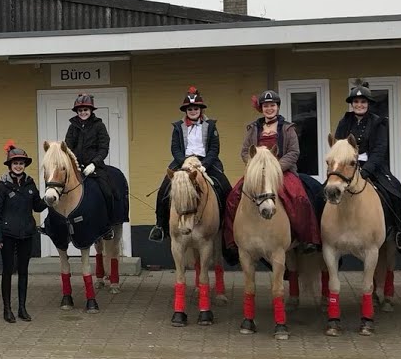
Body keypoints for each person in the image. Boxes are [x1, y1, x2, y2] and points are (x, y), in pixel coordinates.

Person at [222, 90, 321, 264]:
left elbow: (293, 152)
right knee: (233, 197)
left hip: (282, 171)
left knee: (299, 197)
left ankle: (306, 238)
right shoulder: (253, 128)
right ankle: (232, 241)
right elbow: (245, 151)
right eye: (266, 106)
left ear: (278, 107)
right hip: (257, 173)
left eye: (272, 105)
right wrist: (254, 166)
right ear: (262, 108)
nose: (269, 109)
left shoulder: (288, 128)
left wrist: (274, 168)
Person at [334, 82, 401, 255]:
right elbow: (337, 147)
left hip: (373, 167)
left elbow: (379, 151)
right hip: (347, 167)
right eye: (356, 102)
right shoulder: (344, 122)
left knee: (394, 191)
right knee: (327, 190)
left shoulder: (379, 122)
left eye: (363, 102)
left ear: (368, 104)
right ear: (352, 104)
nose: (359, 105)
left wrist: (365, 172)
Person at [148, 87, 231, 242]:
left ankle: (227, 225)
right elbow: (175, 148)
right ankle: (160, 226)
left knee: (226, 187)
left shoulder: (211, 125)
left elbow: (214, 149)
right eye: (190, 109)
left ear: (200, 110)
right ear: (186, 110)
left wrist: (204, 165)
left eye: (196, 108)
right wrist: (184, 163)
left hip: (206, 162)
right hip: (183, 161)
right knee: (164, 189)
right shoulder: (178, 127)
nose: (193, 111)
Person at [0, 142, 47, 323]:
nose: (18, 166)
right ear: (9, 165)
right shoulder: (2, 185)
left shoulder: (30, 184)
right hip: (7, 235)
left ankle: (22, 308)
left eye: (21, 163)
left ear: (25, 165)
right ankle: (7, 309)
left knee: (23, 271)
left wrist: (50, 197)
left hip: (26, 233)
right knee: (8, 271)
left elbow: (37, 206)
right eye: (15, 163)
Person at [62, 93, 129, 231]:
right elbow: (68, 147)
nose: (83, 113)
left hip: (95, 167)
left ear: (91, 110)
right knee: (57, 188)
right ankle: (57, 224)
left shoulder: (99, 126)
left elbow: (104, 148)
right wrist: (75, 163)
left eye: (85, 110)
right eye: (80, 110)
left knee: (107, 192)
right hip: (76, 167)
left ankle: (108, 225)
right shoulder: (72, 127)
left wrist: (94, 163)